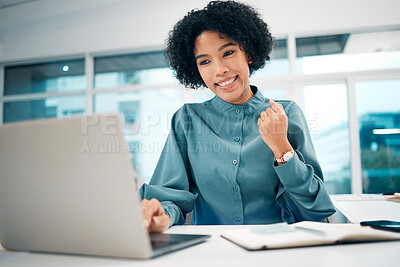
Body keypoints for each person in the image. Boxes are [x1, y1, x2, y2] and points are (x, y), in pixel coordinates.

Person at [139, 0, 336, 233]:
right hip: (214, 253)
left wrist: (282, 149)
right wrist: (161, 215)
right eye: (205, 61)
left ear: (249, 53)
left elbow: (316, 209)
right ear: (196, 70)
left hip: (278, 250)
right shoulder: (187, 120)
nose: (219, 69)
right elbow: (170, 197)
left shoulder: (286, 114)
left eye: (228, 53)